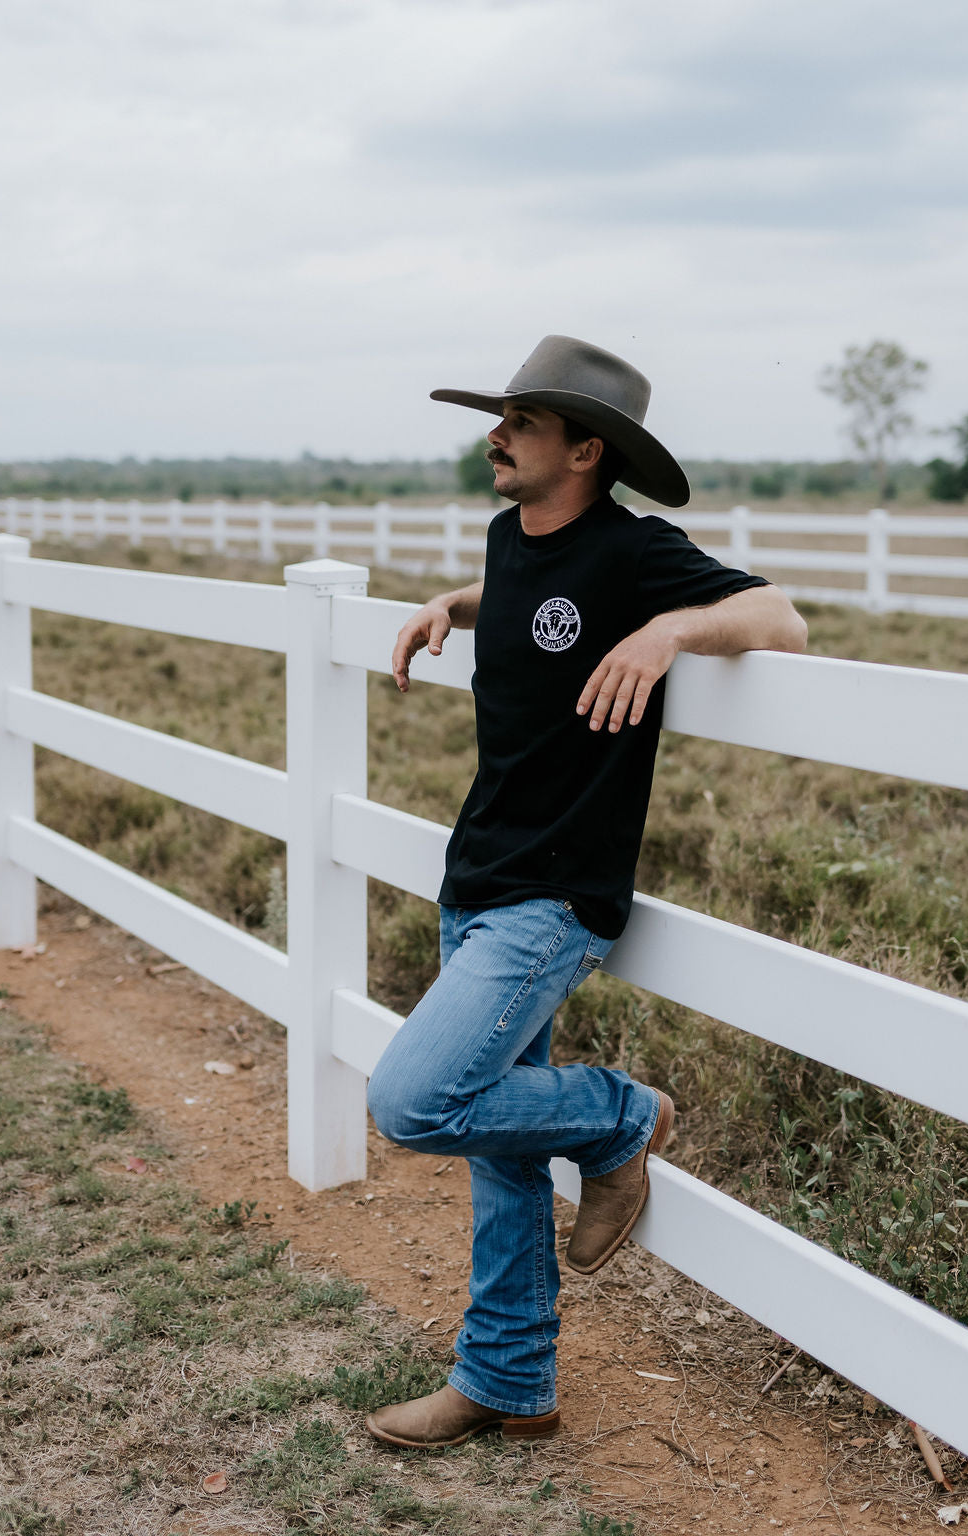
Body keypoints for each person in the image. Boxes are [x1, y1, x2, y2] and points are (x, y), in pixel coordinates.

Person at [364, 336, 807, 1449]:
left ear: (584, 449)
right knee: (501, 1154)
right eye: (500, 418)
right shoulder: (510, 538)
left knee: (411, 1103)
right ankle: (508, 1382)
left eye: (520, 422)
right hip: (474, 881)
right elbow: (520, 591)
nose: (495, 436)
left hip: (553, 899)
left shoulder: (634, 554)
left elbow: (781, 622)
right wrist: (448, 606)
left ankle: (621, 1118)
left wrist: (669, 630)